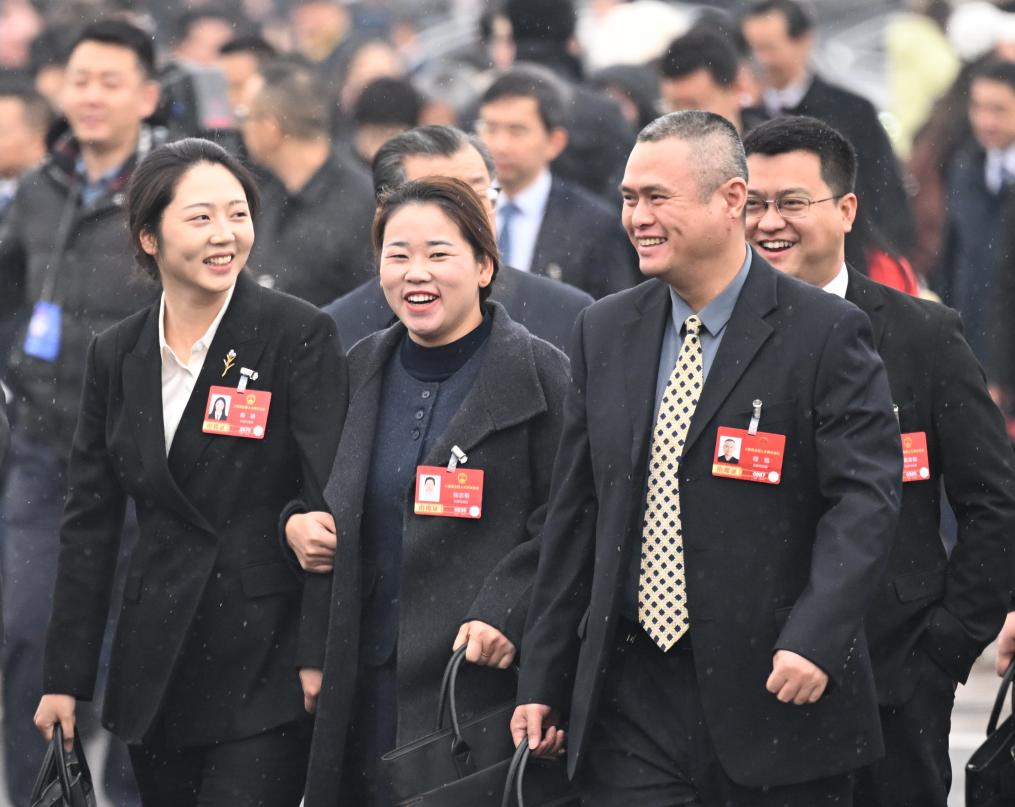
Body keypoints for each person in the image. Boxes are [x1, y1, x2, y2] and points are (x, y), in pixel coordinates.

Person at [511, 111, 902, 806]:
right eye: (629, 198)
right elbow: (574, 515)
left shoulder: (824, 332)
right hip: (631, 699)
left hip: (776, 692)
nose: (637, 217)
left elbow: (864, 501)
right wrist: (543, 677)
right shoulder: (604, 329)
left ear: (730, 200)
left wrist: (815, 637)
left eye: (657, 197)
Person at [33, 137, 347, 806]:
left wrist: (318, 652)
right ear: (148, 236)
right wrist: (65, 677)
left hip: (266, 656)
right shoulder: (117, 353)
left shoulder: (297, 333)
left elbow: (328, 500)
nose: (225, 234)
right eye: (200, 217)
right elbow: (89, 522)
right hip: (158, 659)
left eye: (238, 214)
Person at [744, 114, 1015, 807]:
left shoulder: (922, 335)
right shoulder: (716, 334)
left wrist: (945, 647)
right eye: (753, 203)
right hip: (745, 678)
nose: (768, 222)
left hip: (894, 678)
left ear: (845, 210)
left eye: (791, 202)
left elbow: (992, 500)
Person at [287, 176, 570, 806]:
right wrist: (296, 523)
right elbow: (312, 492)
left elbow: (569, 520)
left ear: (484, 266)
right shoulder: (359, 367)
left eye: (439, 254)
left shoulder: (541, 374)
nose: (417, 273)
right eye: (398, 255)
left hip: (470, 685)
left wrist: (507, 611)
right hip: (362, 679)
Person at [0, 19, 166, 805]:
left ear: (148, 95)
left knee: (140, 647)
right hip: (43, 454)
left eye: (110, 81)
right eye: (81, 80)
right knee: (27, 632)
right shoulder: (38, 190)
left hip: (144, 461)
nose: (92, 96)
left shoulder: (170, 189)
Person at [324, 125, 593, 352]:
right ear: (385, 213)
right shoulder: (341, 332)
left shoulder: (564, 314)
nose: (470, 214)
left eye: (480, 196)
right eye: (442, 199)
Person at [740, 0, 915, 255]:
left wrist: (882, 257)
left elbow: (886, 197)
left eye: (769, 48)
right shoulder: (743, 114)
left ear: (803, 42)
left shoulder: (851, 111)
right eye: (753, 49)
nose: (760, 60)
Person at [476, 65, 639, 298]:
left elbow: (613, 309)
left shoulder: (593, 225)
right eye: (490, 129)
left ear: (555, 142)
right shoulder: (460, 208)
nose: (500, 145)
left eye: (516, 131)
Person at [239, 60, 376, 305]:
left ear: (271, 129)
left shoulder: (361, 204)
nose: (240, 128)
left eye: (244, 116)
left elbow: (372, 306)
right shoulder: (272, 192)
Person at [935, 58, 1015, 379]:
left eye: (998, 109)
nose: (985, 121)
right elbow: (953, 255)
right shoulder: (966, 165)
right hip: (973, 341)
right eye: (978, 108)